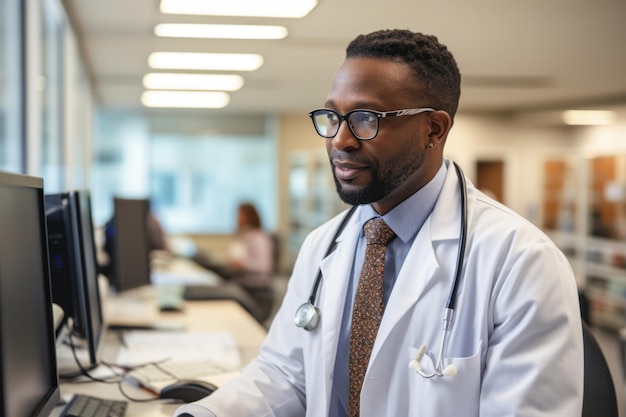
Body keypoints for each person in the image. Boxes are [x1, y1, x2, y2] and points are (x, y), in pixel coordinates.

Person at [174, 29, 583, 417]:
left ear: (434, 128)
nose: (340, 140)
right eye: (332, 117)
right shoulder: (323, 246)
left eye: (366, 118)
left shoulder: (522, 262)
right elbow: (285, 375)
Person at [193, 202, 276, 322]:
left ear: (250, 217)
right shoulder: (243, 237)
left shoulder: (259, 238)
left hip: (255, 290)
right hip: (239, 284)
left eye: (241, 215)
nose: (237, 219)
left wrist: (242, 264)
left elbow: (263, 266)